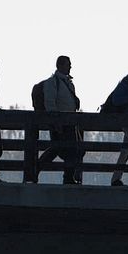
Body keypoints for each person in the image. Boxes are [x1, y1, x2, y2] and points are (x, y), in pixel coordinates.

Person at [32, 55, 83, 185]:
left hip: (69, 122)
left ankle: (37, 170)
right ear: (60, 66)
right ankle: (65, 177)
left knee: (70, 149)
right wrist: (55, 122)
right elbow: (50, 103)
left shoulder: (67, 82)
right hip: (60, 122)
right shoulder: (52, 82)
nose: (70, 66)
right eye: (68, 64)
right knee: (63, 149)